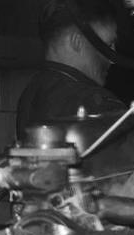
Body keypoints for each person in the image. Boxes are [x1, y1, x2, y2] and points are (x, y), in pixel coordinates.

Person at [16, 0, 125, 135]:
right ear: (77, 42)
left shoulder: (30, 95)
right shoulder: (95, 103)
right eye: (107, 46)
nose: (111, 59)